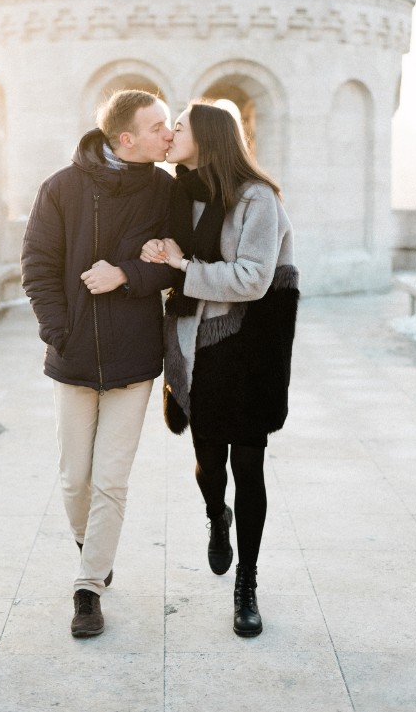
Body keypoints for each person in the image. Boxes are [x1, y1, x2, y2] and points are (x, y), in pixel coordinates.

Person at [21, 89, 177, 638]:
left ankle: (88, 589)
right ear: (126, 138)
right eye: (159, 126)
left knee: (111, 479)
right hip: (73, 358)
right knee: (74, 481)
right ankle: (96, 550)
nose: (169, 133)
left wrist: (128, 274)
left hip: (134, 360)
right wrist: (57, 331)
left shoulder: (164, 190)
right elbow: (37, 265)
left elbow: (179, 265)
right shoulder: (61, 188)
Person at [140, 101, 298, 638]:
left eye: (178, 127)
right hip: (198, 347)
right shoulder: (178, 193)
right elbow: (160, 254)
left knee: (248, 466)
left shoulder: (258, 198)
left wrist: (183, 266)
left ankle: (247, 584)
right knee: (210, 465)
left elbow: (254, 278)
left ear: (206, 137)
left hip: (248, 347)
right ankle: (216, 517)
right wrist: (159, 249)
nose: (171, 134)